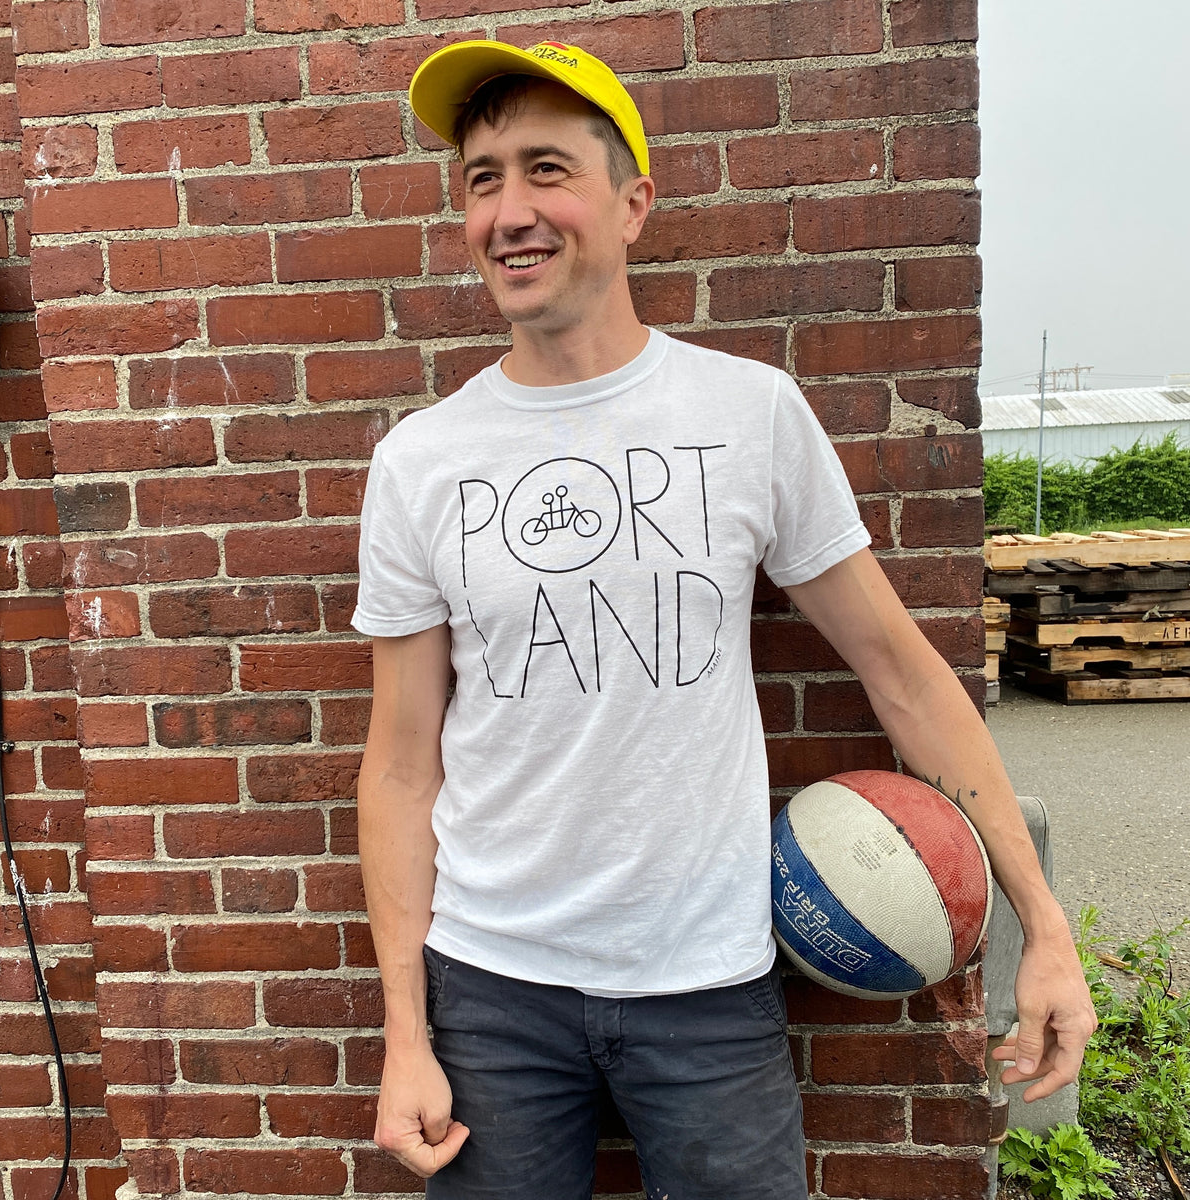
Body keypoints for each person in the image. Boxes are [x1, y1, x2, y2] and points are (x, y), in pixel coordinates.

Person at [353, 39, 1096, 1199]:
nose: (507, 211)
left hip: (707, 985)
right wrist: (409, 1030)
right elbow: (400, 769)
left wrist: (1040, 924)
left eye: (546, 169)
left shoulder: (750, 416)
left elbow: (902, 676)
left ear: (634, 202)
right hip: (492, 988)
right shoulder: (421, 463)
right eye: (480, 177)